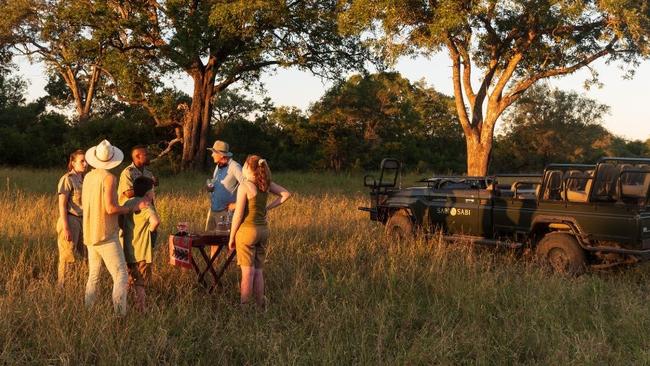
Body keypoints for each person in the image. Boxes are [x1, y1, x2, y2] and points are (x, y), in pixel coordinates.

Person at [82, 140, 149, 316]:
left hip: (90, 233)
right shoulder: (109, 178)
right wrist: (131, 208)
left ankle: (88, 314)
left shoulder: (88, 177)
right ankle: (120, 315)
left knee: (93, 277)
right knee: (121, 276)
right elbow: (110, 208)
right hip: (105, 233)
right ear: (111, 159)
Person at [228, 155, 291, 307]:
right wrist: (268, 207)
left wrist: (231, 237)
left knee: (247, 272)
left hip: (247, 231)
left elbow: (238, 215)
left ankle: (244, 306)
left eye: (244, 165)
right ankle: (260, 304)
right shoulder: (266, 184)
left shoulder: (245, 186)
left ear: (249, 168)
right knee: (258, 270)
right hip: (263, 231)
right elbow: (286, 194)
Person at [121, 176, 160, 311]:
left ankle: (124, 305)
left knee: (130, 279)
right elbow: (155, 222)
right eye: (153, 191)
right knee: (141, 283)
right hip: (142, 251)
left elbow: (121, 221)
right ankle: (141, 308)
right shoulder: (146, 205)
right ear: (148, 194)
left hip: (127, 250)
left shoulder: (128, 203)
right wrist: (150, 230)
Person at [205, 140, 244, 255]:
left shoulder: (235, 167)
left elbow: (247, 186)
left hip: (226, 212)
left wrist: (236, 205)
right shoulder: (218, 166)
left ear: (221, 155)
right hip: (213, 209)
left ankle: (229, 269)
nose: (212, 155)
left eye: (213, 152)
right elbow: (217, 184)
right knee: (212, 240)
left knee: (229, 244)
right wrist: (210, 188)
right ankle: (213, 267)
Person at [56, 149, 87, 286]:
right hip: (71, 218)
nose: (85, 164)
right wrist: (66, 227)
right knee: (67, 255)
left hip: (83, 220)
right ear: (73, 163)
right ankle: (62, 286)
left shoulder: (86, 179)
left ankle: (83, 283)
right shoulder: (67, 179)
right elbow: (62, 204)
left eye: (86, 161)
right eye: (81, 161)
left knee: (88, 254)